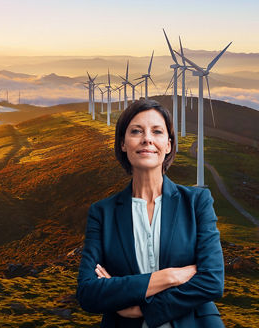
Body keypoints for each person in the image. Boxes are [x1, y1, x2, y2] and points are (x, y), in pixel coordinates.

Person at [76, 99, 225, 328]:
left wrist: (141, 308)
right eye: (136, 131)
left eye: (157, 131)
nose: (147, 139)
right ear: (123, 144)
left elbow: (212, 281)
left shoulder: (197, 202)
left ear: (168, 145)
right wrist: (169, 277)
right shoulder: (102, 213)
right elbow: (88, 292)